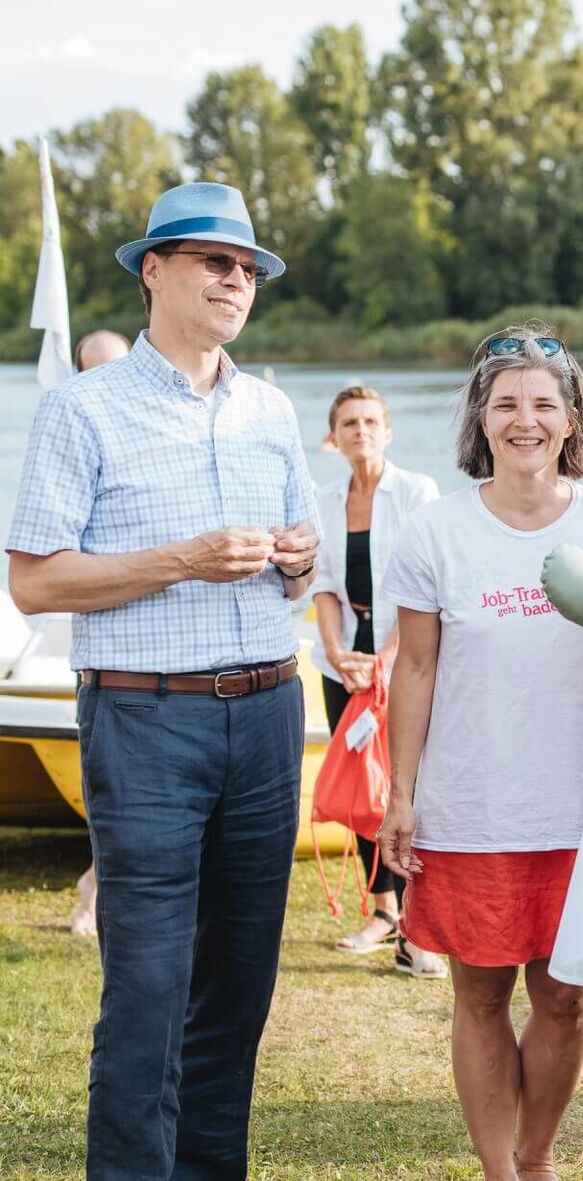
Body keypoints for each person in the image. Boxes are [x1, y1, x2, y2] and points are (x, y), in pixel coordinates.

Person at [7, 181, 320, 1177]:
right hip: (147, 720)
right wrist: (183, 558)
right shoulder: (83, 408)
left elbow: (302, 564)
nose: (236, 280)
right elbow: (35, 579)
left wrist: (302, 557)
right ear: (154, 269)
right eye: (213, 262)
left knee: (238, 990)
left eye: (248, 268)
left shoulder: (271, 409)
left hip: (269, 714)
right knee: (146, 990)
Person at [376, 326, 583, 1181]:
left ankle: (538, 1155)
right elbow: (414, 667)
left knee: (562, 998)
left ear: (570, 419)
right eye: (506, 402)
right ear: (480, 419)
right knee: (479, 996)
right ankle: (498, 1171)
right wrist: (400, 795)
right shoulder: (435, 531)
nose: (525, 419)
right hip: (469, 806)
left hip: (581, 807)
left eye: (544, 404)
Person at [311, 384, 443, 978]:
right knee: (361, 785)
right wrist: (341, 653)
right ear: (333, 436)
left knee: (405, 784)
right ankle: (383, 910)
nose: (359, 430)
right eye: (348, 422)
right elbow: (323, 587)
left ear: (387, 431)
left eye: (369, 421)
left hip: (405, 657)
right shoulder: (322, 500)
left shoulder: (417, 492)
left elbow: (423, 587)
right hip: (344, 662)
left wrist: (386, 658)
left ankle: (420, 923)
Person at [60, 327, 131, 941]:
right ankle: (94, 887)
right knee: (117, 812)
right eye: (95, 368)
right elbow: (46, 576)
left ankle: (93, 884)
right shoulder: (76, 433)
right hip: (111, 668)